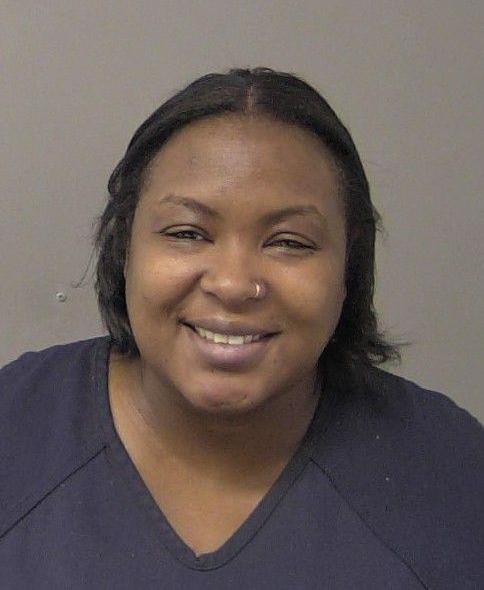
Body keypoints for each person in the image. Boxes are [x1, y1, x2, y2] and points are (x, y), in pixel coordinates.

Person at [1, 67, 482, 589]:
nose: (233, 284)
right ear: (124, 252)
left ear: (349, 270)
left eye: (289, 242)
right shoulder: (15, 431)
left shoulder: (454, 475)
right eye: (187, 233)